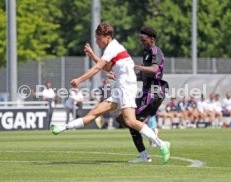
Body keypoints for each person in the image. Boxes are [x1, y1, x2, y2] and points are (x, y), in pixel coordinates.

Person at [50, 22, 170, 164]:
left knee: (130, 120)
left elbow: (97, 68)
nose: (96, 41)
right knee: (94, 113)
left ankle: (161, 144)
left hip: (127, 87)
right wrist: (93, 55)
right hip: (121, 86)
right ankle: (63, 127)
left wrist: (79, 80)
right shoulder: (113, 49)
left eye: (98, 38)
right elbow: (106, 67)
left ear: (106, 37)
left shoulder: (113, 47)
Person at [116, 26, 169, 163]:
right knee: (123, 118)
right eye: (140, 40)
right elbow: (141, 75)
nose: (142, 43)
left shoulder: (155, 51)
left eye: (144, 40)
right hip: (145, 92)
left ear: (151, 39)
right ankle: (144, 151)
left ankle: (151, 142)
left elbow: (154, 69)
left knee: (130, 119)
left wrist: (138, 67)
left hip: (154, 91)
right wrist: (117, 76)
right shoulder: (147, 54)